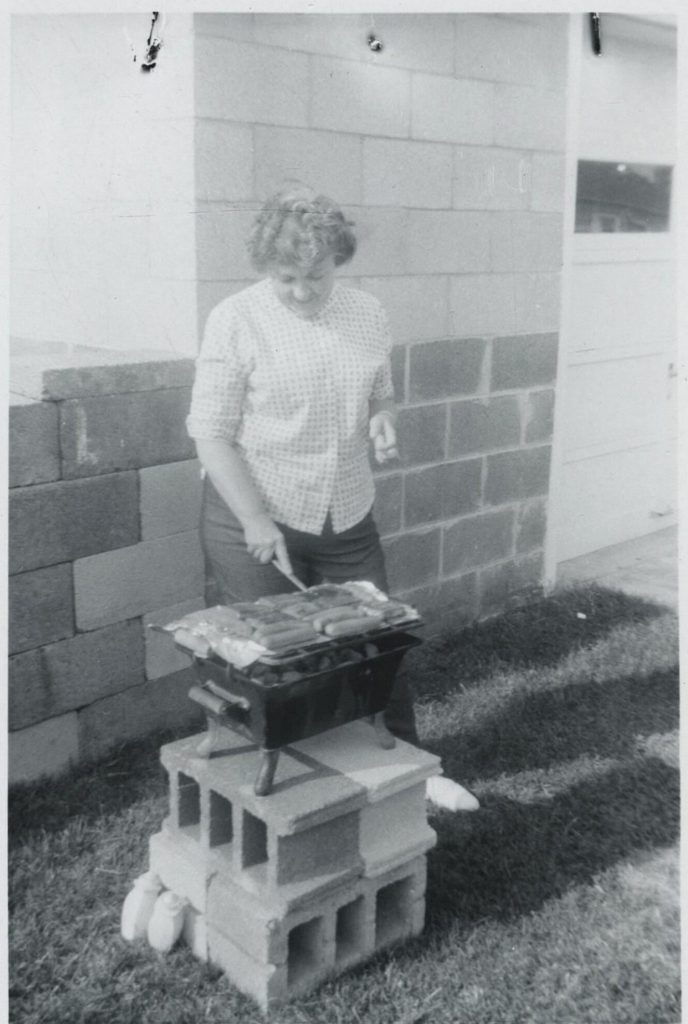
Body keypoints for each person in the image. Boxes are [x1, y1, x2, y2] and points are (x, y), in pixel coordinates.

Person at [186, 184, 479, 813]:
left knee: (379, 637)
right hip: (251, 518)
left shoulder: (367, 312)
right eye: (286, 277)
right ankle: (277, 792)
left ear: (337, 262)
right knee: (268, 659)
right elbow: (209, 433)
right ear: (267, 268)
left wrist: (383, 417)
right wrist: (256, 518)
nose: (301, 290)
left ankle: (408, 772)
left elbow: (380, 389)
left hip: (344, 511)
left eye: (314, 276)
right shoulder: (236, 319)